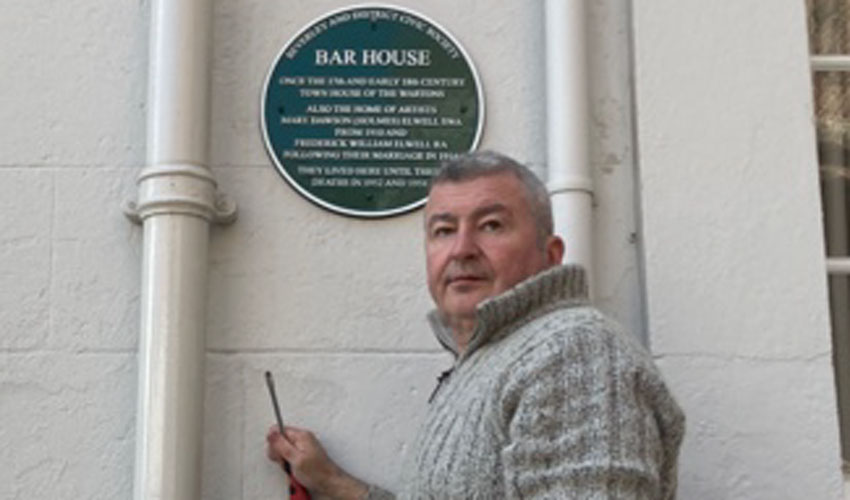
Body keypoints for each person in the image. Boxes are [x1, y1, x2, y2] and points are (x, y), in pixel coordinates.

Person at [267, 150, 685, 499]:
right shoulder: (491, 357)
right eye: (444, 230)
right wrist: (332, 481)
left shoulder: (575, 352)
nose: (461, 249)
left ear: (551, 254)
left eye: (491, 225)